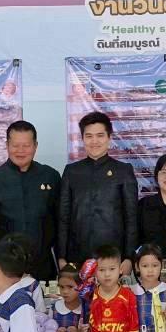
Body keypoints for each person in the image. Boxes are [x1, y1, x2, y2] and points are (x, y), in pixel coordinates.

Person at [0, 121, 61, 279]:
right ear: (7, 145)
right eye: (15, 145)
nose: (20, 151)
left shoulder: (51, 176)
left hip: (42, 266)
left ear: (35, 146)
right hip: (5, 269)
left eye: (26, 145)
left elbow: (60, 223)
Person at [58, 112, 139, 267]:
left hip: (113, 258)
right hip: (77, 257)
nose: (94, 141)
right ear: (82, 139)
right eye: (89, 136)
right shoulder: (72, 171)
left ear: (109, 138)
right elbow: (63, 218)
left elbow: (131, 218)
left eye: (100, 135)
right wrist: (61, 256)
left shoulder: (123, 171)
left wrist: (129, 257)